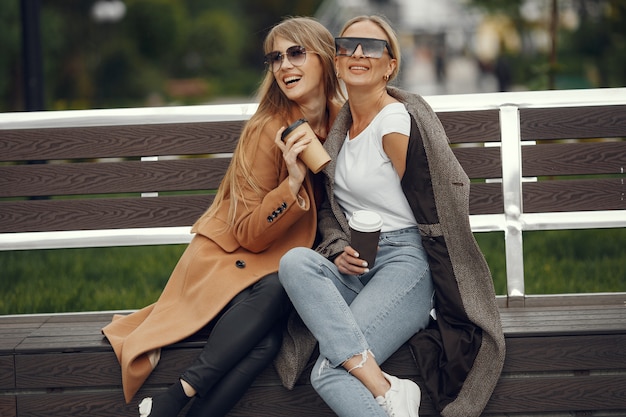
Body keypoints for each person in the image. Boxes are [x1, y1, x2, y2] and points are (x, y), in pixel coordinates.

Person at [102, 16, 343, 417]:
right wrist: (292, 183)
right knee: (286, 279)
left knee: (266, 342)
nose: (284, 65)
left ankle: (171, 403)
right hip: (229, 263)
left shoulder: (342, 120)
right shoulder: (267, 129)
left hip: (278, 272)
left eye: (296, 53)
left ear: (325, 59)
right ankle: (175, 397)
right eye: (275, 58)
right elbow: (248, 232)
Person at [278, 15, 505, 417]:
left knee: (330, 373)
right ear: (336, 60)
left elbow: (431, 200)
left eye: (373, 47)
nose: (359, 53)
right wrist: (339, 250)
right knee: (295, 262)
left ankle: (384, 390)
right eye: (348, 45)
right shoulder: (341, 131)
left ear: (391, 65)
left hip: (406, 263)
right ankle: (388, 390)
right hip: (360, 264)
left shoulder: (395, 122)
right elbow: (336, 209)